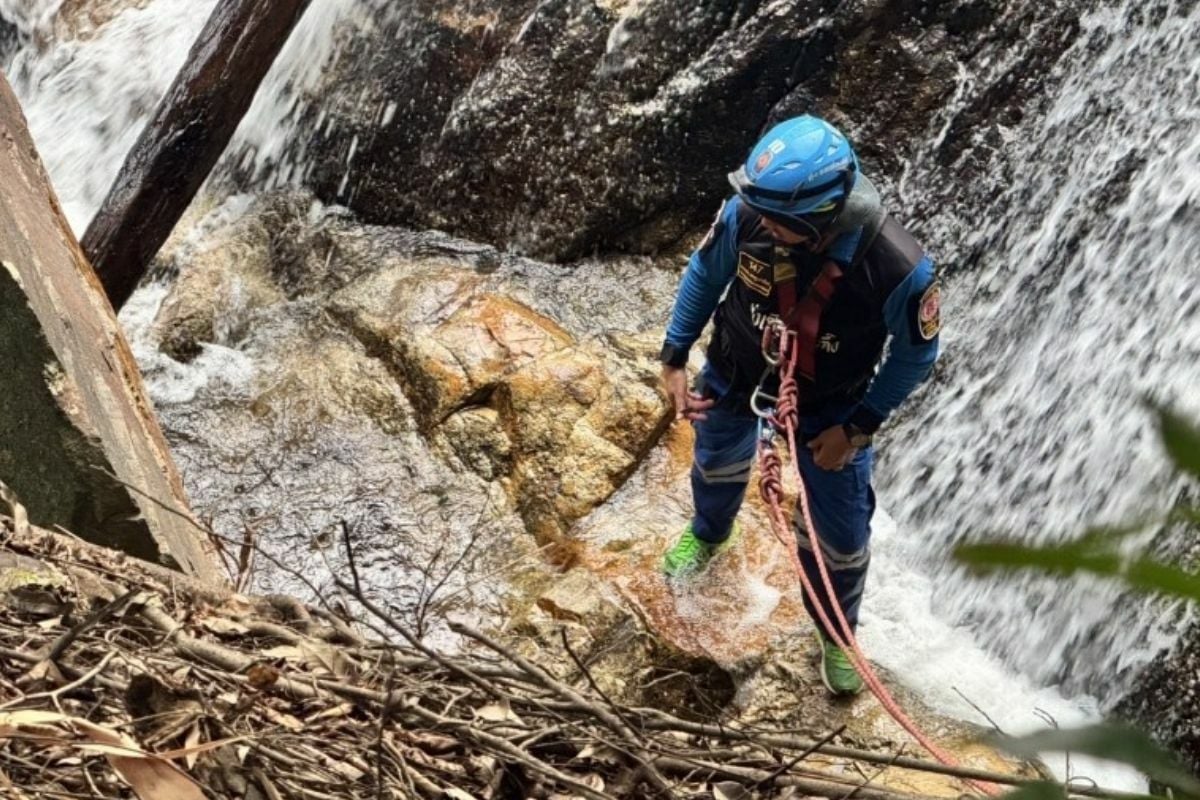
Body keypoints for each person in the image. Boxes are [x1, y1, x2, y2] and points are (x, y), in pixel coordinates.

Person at [658, 115, 941, 696]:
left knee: (839, 535)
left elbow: (915, 356)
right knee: (715, 465)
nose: (758, 221)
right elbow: (704, 273)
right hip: (735, 371)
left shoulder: (898, 268)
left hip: (832, 408)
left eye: (775, 218)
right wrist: (674, 357)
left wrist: (857, 429)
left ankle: (837, 630)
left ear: (819, 216)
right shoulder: (745, 215)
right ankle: (712, 534)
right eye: (756, 208)